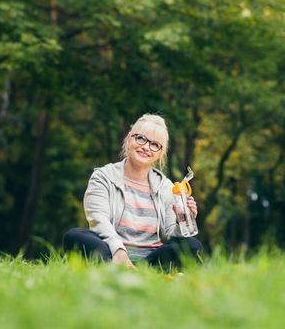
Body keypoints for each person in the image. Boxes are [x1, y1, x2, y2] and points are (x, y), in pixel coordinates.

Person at [63, 114, 202, 270]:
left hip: (151, 258)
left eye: (155, 144)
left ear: (160, 153)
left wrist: (181, 221)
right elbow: (99, 220)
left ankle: (140, 272)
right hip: (112, 252)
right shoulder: (103, 177)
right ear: (129, 139)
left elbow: (170, 236)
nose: (146, 147)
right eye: (141, 138)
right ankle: (120, 268)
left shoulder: (166, 187)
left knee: (191, 245)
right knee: (75, 236)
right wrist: (119, 251)